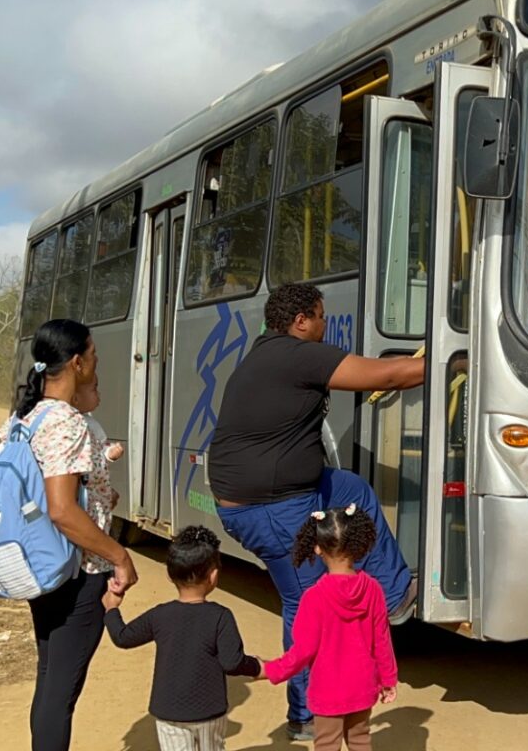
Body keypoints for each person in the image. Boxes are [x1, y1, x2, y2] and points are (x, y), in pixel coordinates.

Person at [208, 283, 420, 741]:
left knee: (352, 489)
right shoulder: (295, 353)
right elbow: (387, 376)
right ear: (300, 320)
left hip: (290, 490)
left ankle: (392, 595)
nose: (326, 326)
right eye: (321, 317)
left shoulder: (268, 353)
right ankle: (306, 715)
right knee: (306, 606)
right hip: (269, 507)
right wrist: (450, 361)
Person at [9, 319, 138, 751]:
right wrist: (119, 555)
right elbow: (63, 510)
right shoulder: (66, 422)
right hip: (76, 570)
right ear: (78, 363)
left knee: (50, 680)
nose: (97, 363)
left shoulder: (26, 416)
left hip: (41, 564)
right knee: (60, 692)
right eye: (95, 357)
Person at [101, 526, 262, 751]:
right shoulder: (221, 616)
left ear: (169, 574)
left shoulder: (160, 615)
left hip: (168, 712)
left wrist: (111, 608)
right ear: (213, 575)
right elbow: (232, 662)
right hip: (209, 713)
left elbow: (122, 637)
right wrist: (257, 666)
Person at [261, 505, 397, 751]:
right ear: (358, 545)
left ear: (317, 548)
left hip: (327, 691)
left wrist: (272, 670)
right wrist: (388, 679)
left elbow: (303, 650)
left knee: (326, 744)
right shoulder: (374, 589)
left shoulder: (313, 597)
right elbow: (382, 641)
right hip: (363, 686)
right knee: (360, 740)